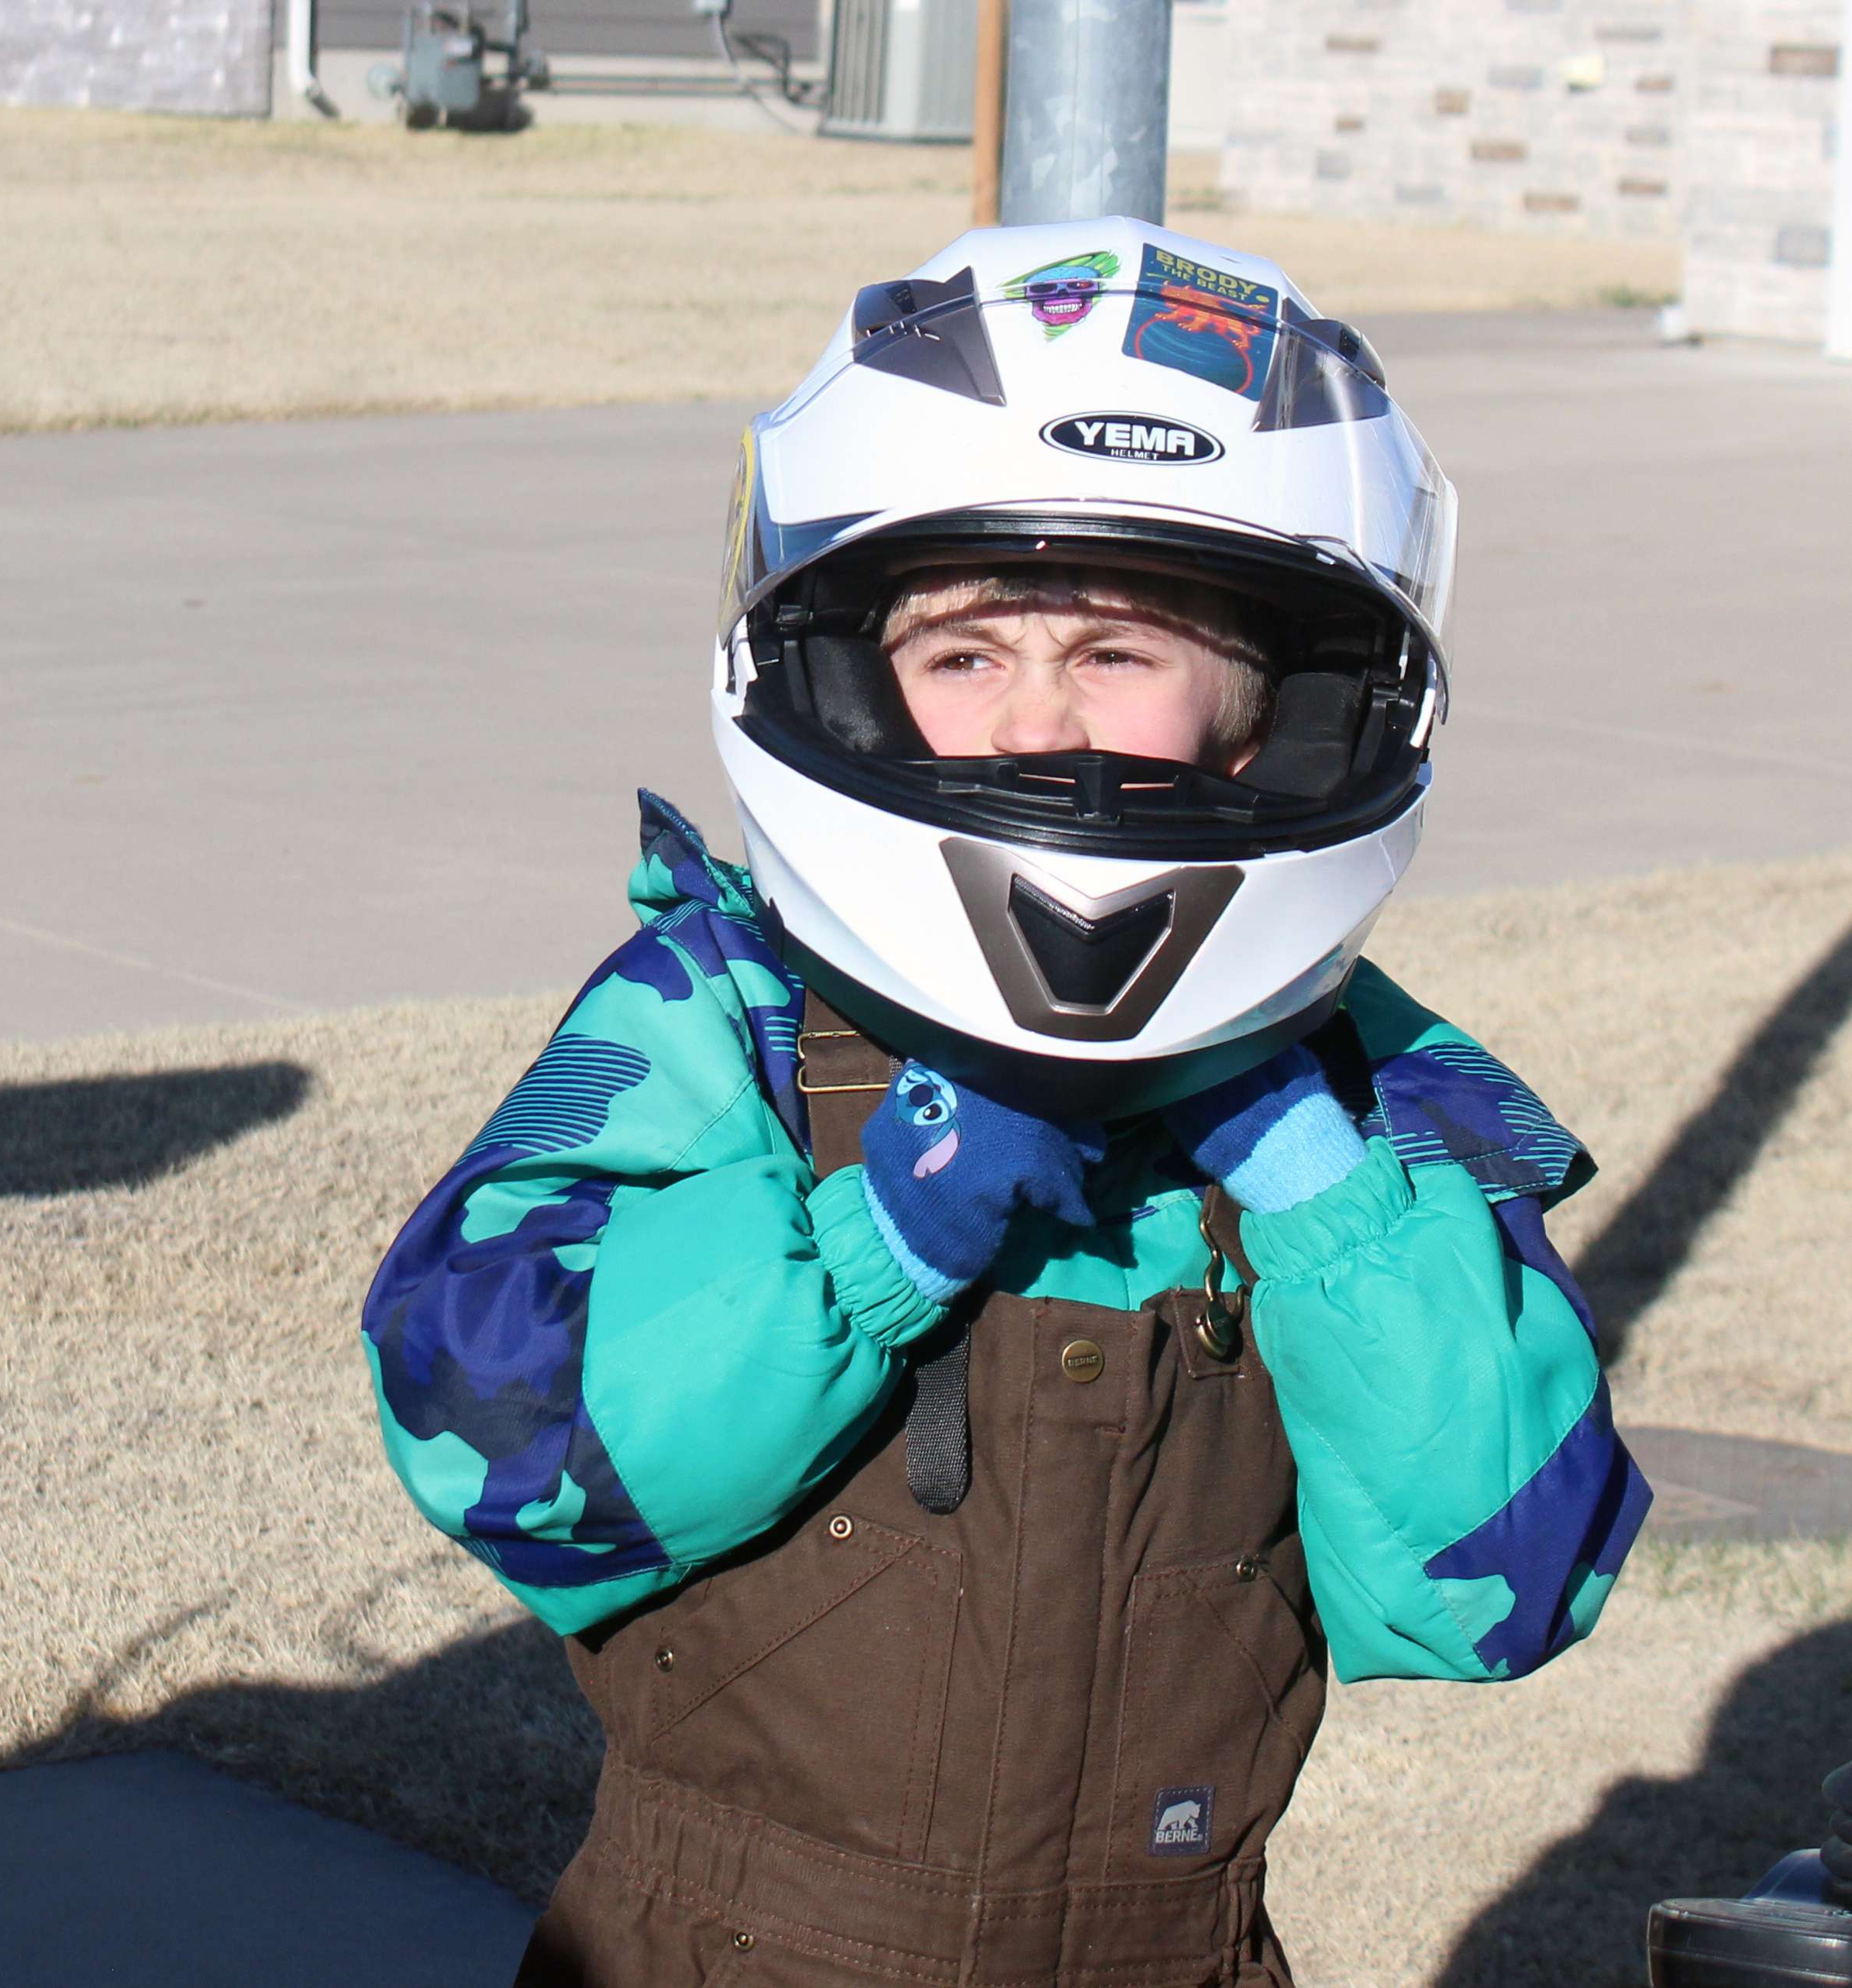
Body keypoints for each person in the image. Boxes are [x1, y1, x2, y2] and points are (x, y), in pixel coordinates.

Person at [360, 222, 1651, 1988]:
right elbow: (504, 1446)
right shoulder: (720, 1014)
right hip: (719, 1945)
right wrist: (874, 1242)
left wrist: (1318, 1187)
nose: (1037, 720)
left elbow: (1488, 1581)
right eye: (961, 655)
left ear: (1267, 713)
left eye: (1116, 652)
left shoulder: (1369, 1098)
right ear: (836, 676)